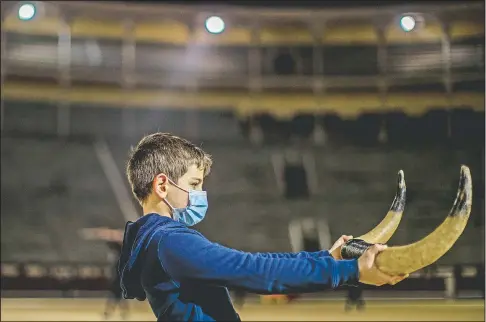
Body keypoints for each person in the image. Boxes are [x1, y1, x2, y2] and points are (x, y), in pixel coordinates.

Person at [118, 133, 408, 321]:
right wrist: (349, 271)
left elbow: (256, 265)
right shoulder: (171, 242)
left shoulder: (150, 239)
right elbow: (255, 271)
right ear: (161, 185)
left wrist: (326, 258)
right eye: (194, 185)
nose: (200, 195)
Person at [80, 227, 129, 320]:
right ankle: (119, 313)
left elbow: (113, 235)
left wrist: (93, 233)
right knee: (117, 296)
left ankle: (111, 313)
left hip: (119, 275)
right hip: (118, 275)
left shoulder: (122, 248)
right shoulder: (118, 250)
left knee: (115, 295)